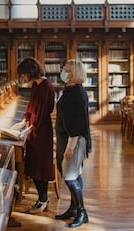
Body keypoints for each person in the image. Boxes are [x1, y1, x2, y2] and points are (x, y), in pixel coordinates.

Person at [55, 59, 92, 228]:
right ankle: (74, 208)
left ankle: (82, 212)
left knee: (70, 177)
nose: (63, 72)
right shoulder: (70, 90)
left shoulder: (76, 93)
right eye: (64, 69)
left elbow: (76, 124)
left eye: (67, 70)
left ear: (74, 74)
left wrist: (70, 147)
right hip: (69, 139)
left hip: (74, 141)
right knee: (75, 175)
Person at [17, 57, 55, 214]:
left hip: (42, 131)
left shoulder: (46, 86)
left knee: (40, 166)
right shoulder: (35, 85)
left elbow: (43, 111)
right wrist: (24, 119)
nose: (22, 78)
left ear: (30, 72)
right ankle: (42, 199)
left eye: (23, 74)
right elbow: (31, 105)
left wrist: (31, 128)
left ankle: (43, 200)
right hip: (33, 130)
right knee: (33, 164)